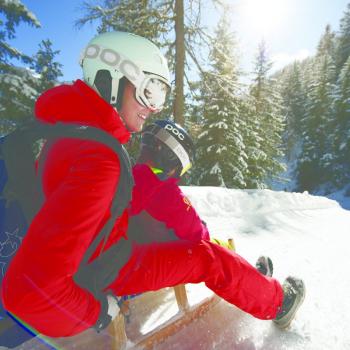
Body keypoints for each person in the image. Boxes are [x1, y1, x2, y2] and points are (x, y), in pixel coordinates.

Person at [1, 31, 171, 339]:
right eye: (150, 91)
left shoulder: (59, 131)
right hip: (31, 312)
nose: (155, 107)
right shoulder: (99, 158)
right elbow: (28, 292)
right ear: (111, 80)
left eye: (162, 95)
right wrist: (98, 311)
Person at [125, 119, 305, 329]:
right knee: (210, 254)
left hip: (124, 257)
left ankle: (253, 279)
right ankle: (277, 303)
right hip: (136, 266)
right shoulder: (164, 192)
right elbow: (199, 235)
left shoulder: (126, 176)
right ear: (174, 161)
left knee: (209, 248)